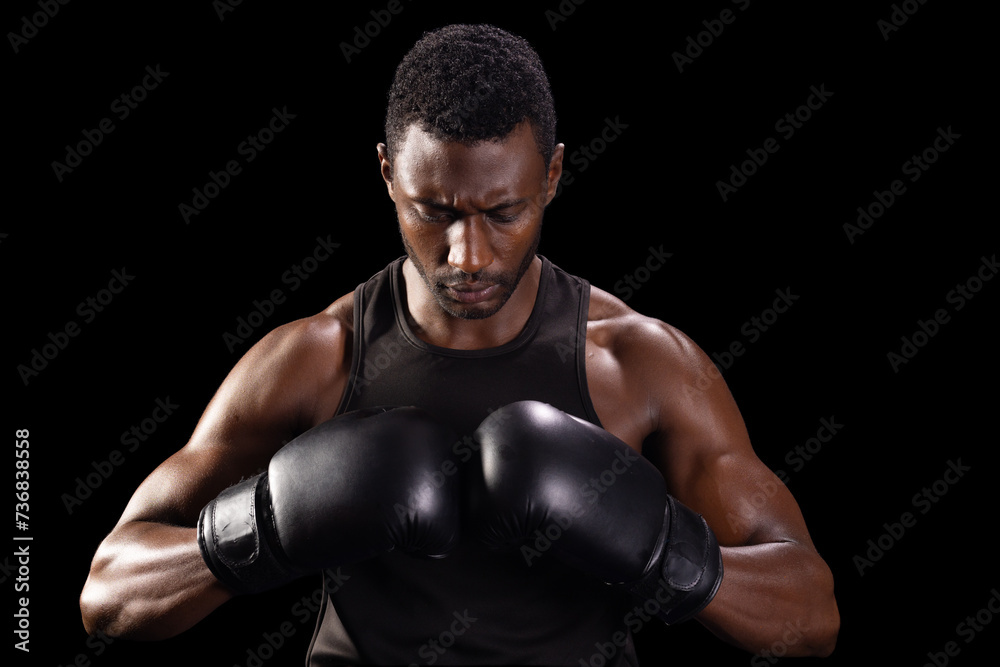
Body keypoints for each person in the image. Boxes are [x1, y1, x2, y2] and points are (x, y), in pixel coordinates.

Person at [80, 23, 839, 665]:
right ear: (386, 174)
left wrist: (659, 544)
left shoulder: (641, 364)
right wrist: (268, 527)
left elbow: (812, 612)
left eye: (502, 211)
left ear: (553, 175)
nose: (467, 253)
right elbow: (109, 594)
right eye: (433, 210)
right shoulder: (316, 359)